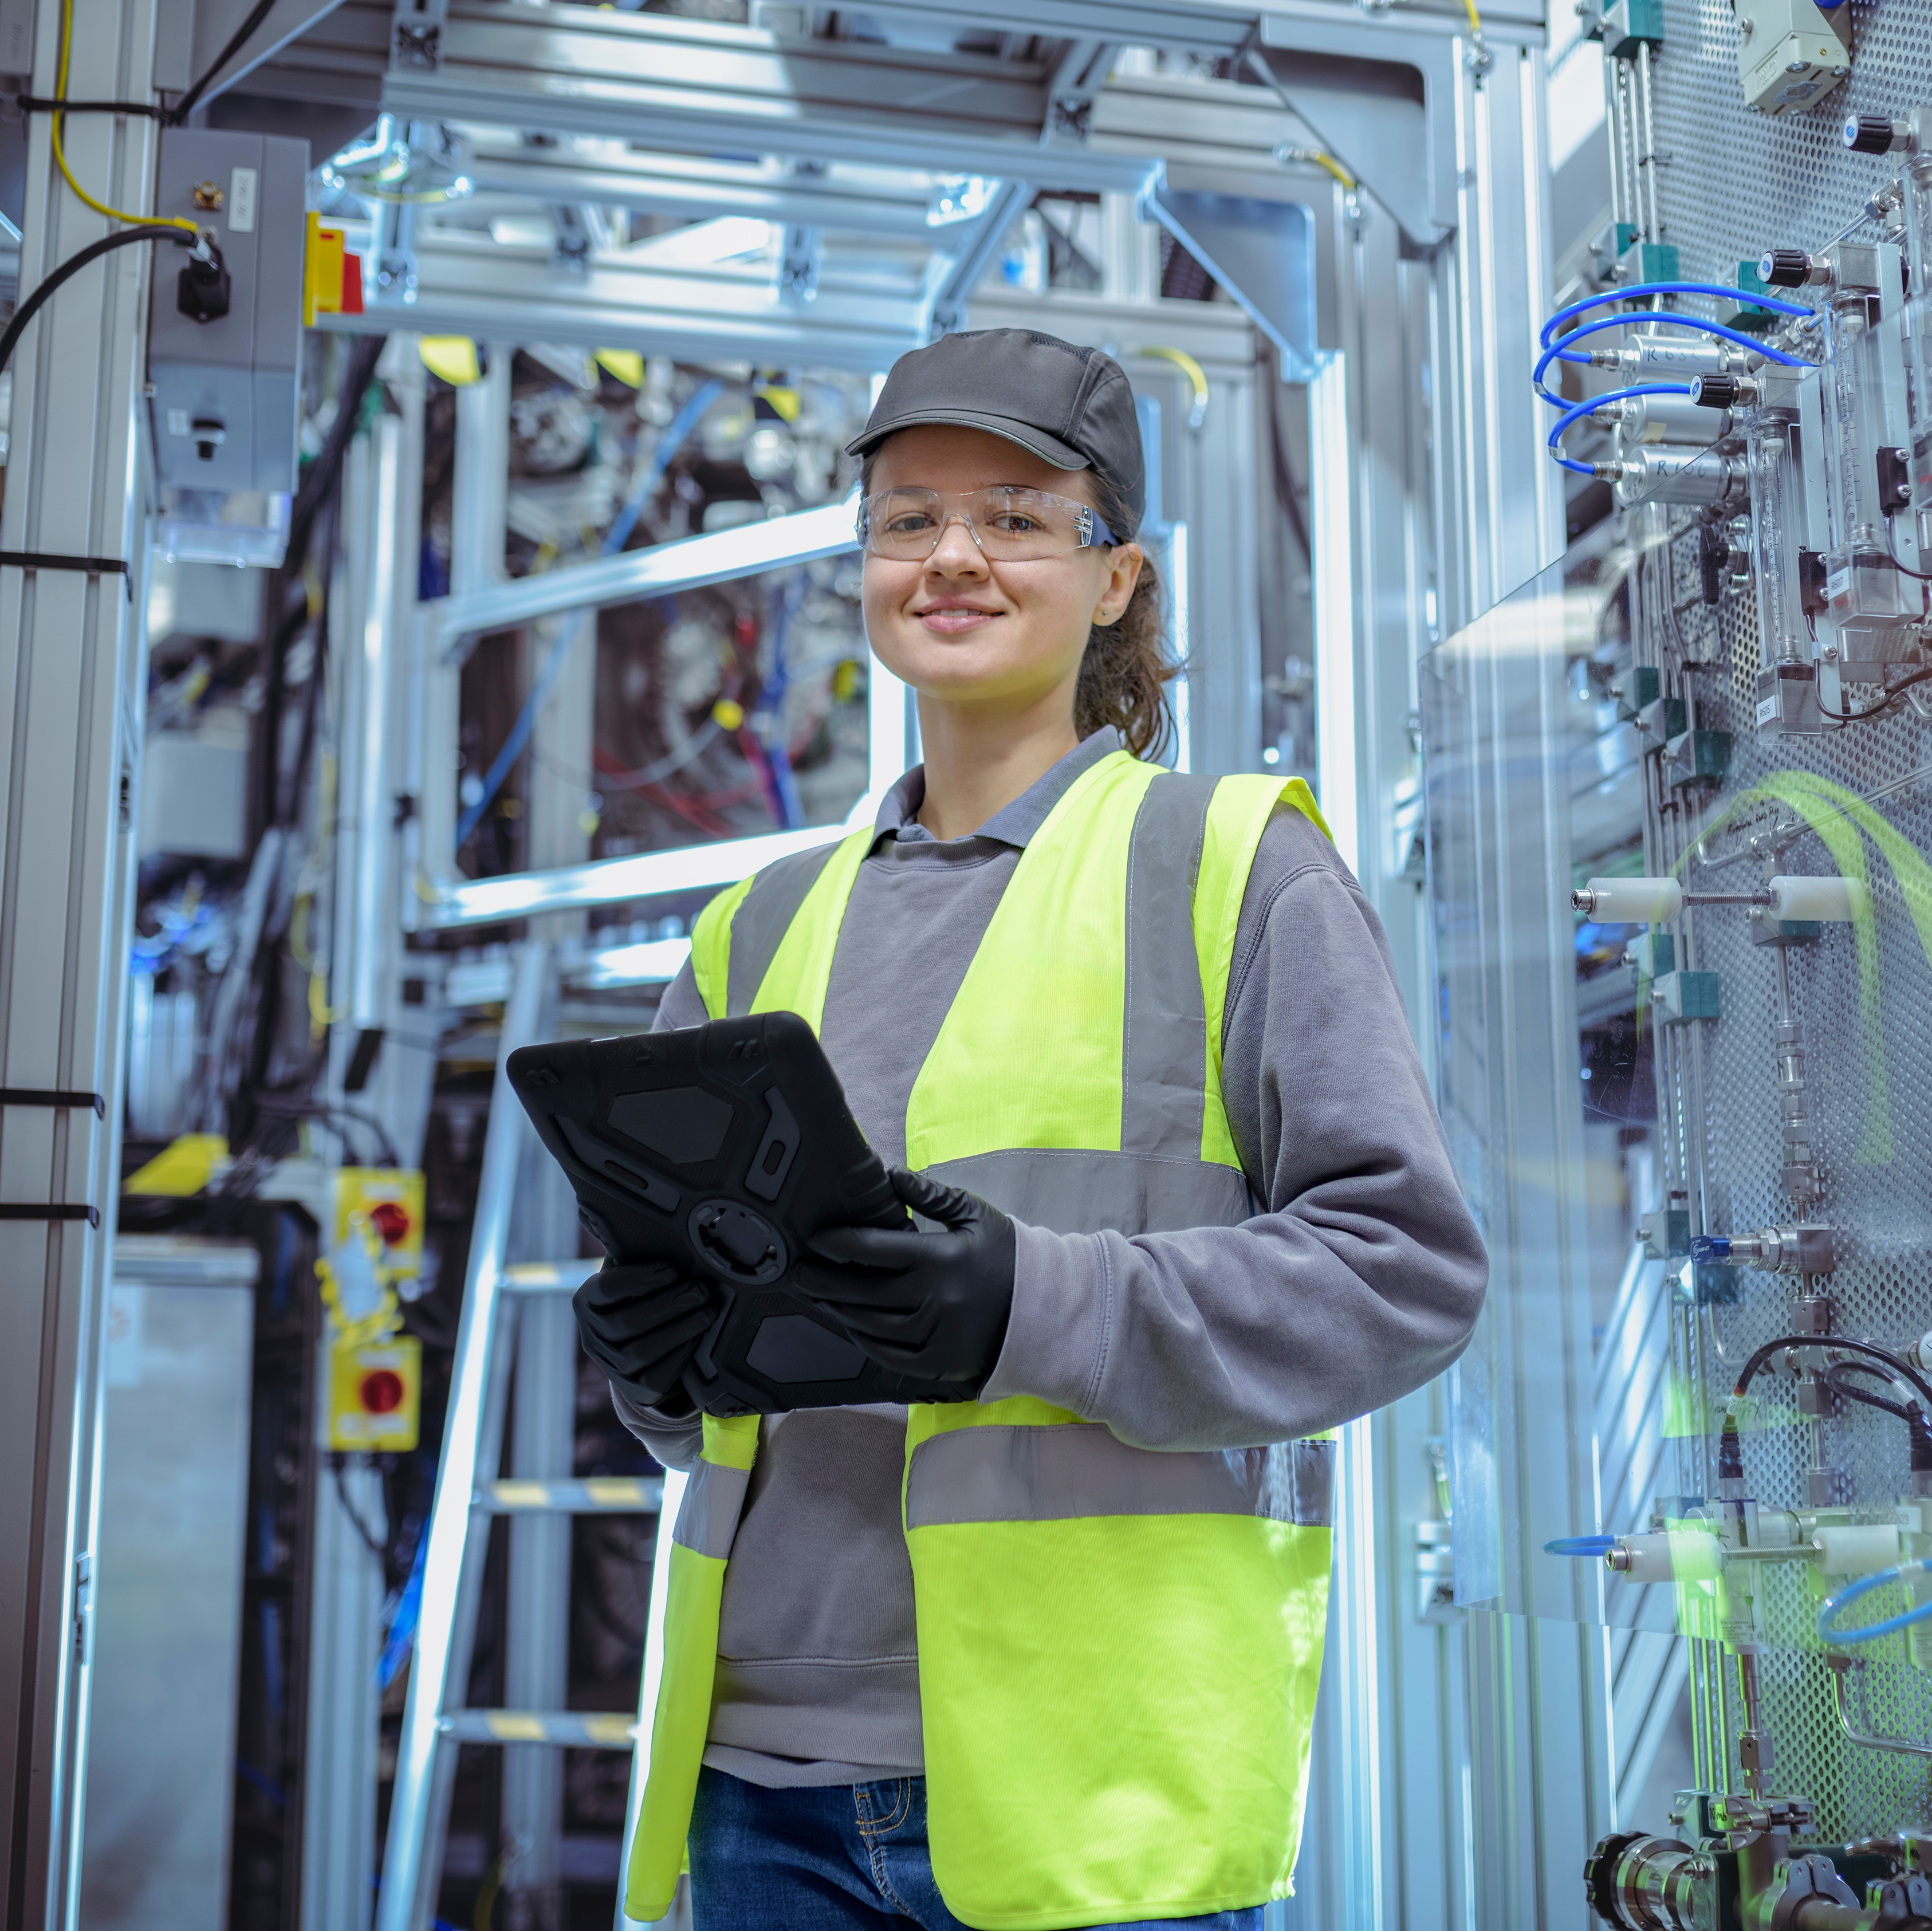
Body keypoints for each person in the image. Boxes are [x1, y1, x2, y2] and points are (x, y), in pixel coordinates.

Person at [580, 327, 1484, 1931]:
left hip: (1095, 1783)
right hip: (754, 1782)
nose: (952, 556)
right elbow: (708, 1390)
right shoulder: (748, 929)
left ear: (1115, 575)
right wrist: (658, 1360)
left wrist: (1025, 1306)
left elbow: (1400, 1274)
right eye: (907, 518)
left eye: (1011, 516)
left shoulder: (1230, 867)